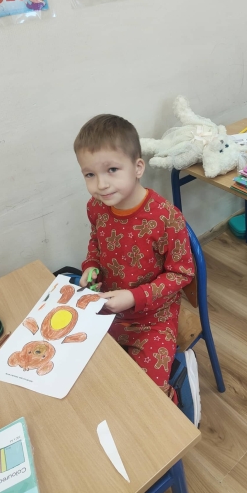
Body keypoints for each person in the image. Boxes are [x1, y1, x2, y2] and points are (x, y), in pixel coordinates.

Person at [74, 114, 194, 399]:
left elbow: (182, 274)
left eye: (112, 170)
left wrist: (134, 297)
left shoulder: (167, 218)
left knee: (148, 398)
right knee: (86, 377)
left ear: (138, 167)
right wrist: (91, 266)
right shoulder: (96, 207)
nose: (101, 184)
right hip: (108, 308)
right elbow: (96, 242)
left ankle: (183, 390)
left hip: (154, 317)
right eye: (90, 174)